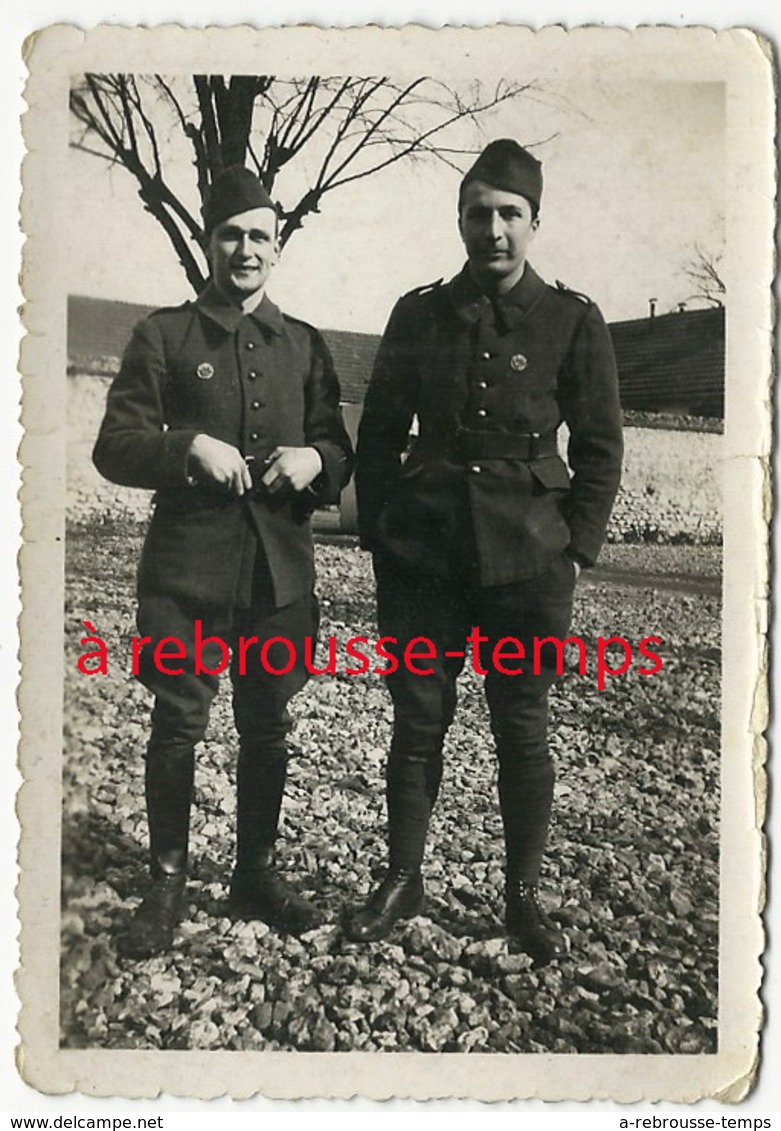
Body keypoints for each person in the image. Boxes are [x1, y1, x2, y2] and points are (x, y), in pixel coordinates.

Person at [347, 139, 623, 963]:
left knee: (522, 728)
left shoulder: (573, 319)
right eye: (479, 213)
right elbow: (380, 432)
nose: (493, 230)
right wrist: (381, 541)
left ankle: (523, 897)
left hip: (527, 563)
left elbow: (601, 444)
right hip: (424, 558)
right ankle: (402, 877)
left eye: (509, 214)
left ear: (535, 223)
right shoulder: (419, 312)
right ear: (459, 219)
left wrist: (575, 549)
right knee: (416, 722)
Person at [93, 166, 353, 957]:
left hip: (278, 571)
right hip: (187, 570)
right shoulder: (163, 335)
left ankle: (254, 871)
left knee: (266, 725)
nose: (245, 249)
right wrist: (186, 449)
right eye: (231, 234)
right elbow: (114, 445)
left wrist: (315, 459)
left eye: (260, 236)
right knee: (177, 722)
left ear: (278, 249)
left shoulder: (303, 344)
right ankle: (167, 879)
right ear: (209, 243)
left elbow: (340, 450)